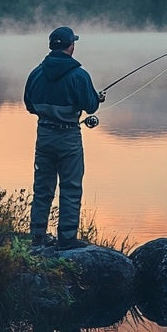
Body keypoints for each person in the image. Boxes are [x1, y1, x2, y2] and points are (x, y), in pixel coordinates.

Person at [24, 26, 104, 249]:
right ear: (71, 46)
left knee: (42, 187)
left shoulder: (36, 73)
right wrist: (96, 98)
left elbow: (29, 105)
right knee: (70, 187)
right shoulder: (79, 75)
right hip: (68, 136)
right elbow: (90, 106)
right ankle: (67, 239)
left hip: (44, 135)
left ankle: (38, 236)